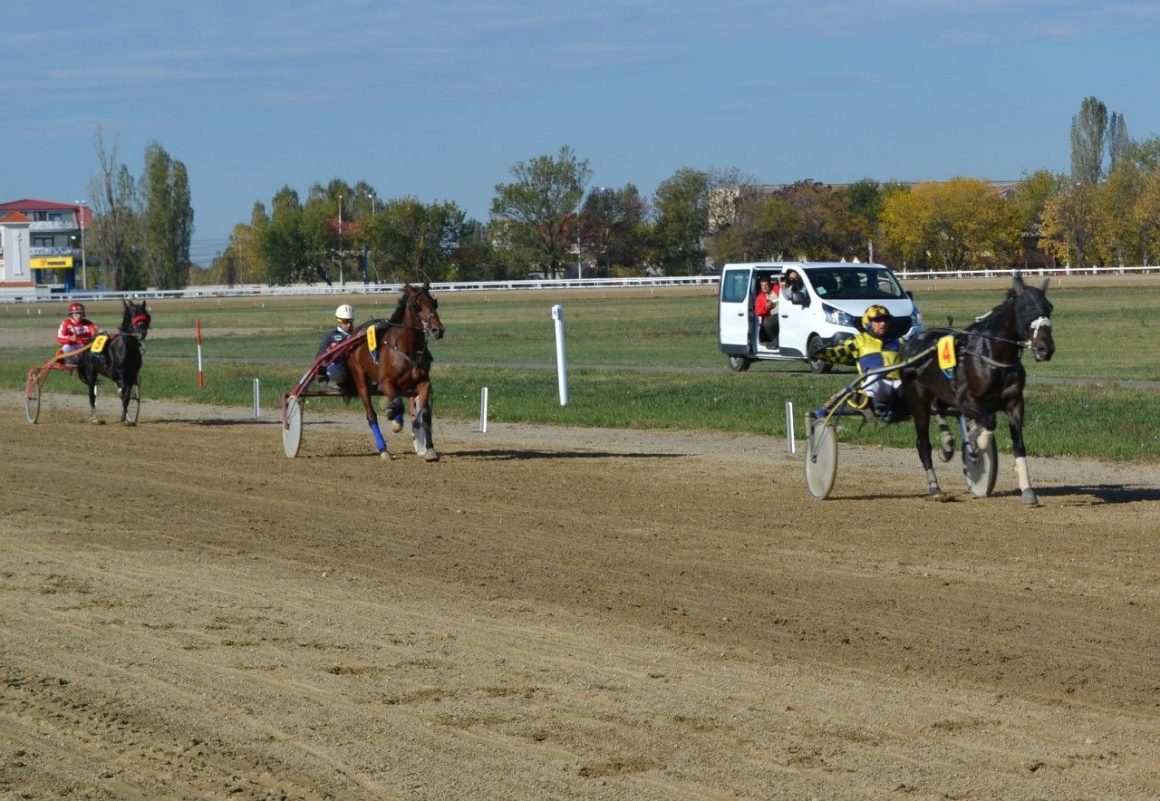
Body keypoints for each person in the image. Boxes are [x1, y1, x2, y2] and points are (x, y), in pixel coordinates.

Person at [810, 304, 903, 422]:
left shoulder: (898, 340)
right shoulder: (858, 341)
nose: (883, 323)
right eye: (877, 320)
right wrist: (821, 353)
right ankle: (880, 409)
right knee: (874, 377)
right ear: (867, 322)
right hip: (872, 383)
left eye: (885, 320)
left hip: (897, 381)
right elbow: (838, 354)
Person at [316, 304, 356, 389]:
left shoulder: (357, 335)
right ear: (339, 321)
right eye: (345, 322)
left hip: (356, 368)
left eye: (351, 321)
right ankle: (332, 382)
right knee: (332, 371)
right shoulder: (331, 336)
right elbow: (320, 355)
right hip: (339, 369)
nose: (349, 325)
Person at [754, 275, 779, 344]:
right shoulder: (760, 297)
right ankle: (775, 340)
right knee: (767, 323)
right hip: (772, 317)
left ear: (770, 284)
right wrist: (767, 307)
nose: (764, 287)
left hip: (784, 313)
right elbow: (757, 312)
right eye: (762, 286)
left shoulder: (777, 288)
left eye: (766, 285)